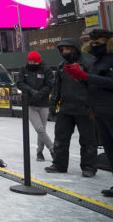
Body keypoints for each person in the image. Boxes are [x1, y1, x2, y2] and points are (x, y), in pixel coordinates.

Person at [67, 30, 113, 196]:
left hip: (110, 109)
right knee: (109, 150)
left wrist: (85, 76)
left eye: (98, 42)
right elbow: (93, 84)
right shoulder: (93, 62)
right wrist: (80, 77)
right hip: (99, 110)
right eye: (92, 42)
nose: (94, 44)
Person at [45, 37, 96, 177]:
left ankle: (89, 167)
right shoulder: (61, 66)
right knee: (61, 138)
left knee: (87, 139)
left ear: (75, 49)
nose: (65, 51)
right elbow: (57, 87)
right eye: (63, 49)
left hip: (85, 107)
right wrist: (53, 104)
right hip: (66, 108)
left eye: (67, 49)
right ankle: (59, 164)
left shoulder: (87, 65)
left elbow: (94, 84)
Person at [16, 51, 55, 161]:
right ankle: (52, 149)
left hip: (43, 103)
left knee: (42, 129)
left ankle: (39, 152)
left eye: (34, 62)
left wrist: (40, 94)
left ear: (39, 61)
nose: (32, 63)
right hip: (30, 104)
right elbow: (20, 83)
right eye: (30, 61)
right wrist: (31, 91)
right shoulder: (24, 69)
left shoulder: (46, 69)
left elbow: (49, 84)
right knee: (39, 128)